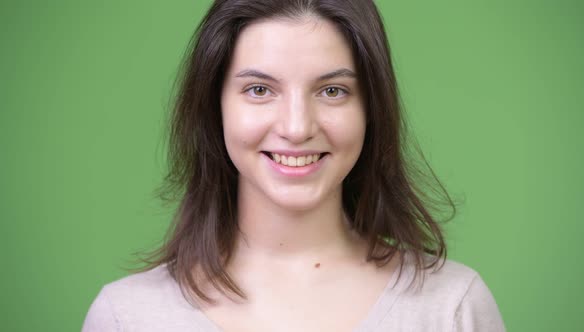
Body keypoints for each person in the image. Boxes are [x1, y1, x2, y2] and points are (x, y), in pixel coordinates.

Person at [82, 0, 505, 331]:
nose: (297, 127)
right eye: (260, 89)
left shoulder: (452, 309)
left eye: (333, 90)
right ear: (215, 107)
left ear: (371, 109)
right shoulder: (126, 318)